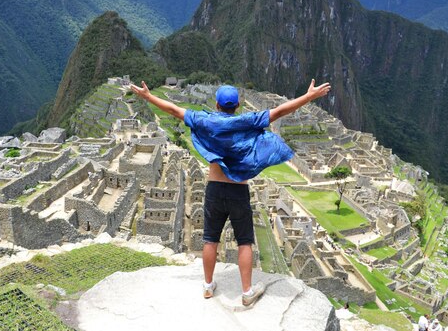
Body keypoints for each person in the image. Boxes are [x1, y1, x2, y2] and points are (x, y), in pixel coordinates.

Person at [130, 79, 331, 307]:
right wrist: (309, 97)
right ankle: (247, 291)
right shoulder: (246, 121)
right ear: (237, 106)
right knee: (244, 242)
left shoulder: (205, 120)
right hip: (238, 191)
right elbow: (281, 110)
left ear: (216, 105)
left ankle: (207, 286)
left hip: (214, 189)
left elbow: (173, 109)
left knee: (209, 239)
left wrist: (147, 96)